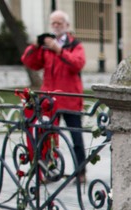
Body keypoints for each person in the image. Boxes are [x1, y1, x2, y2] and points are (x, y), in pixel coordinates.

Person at [20, 10, 87, 181]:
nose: (56, 26)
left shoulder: (74, 45)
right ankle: (46, 170)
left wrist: (59, 51)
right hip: (49, 100)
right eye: (53, 23)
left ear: (67, 25)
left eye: (59, 23)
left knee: (76, 138)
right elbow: (29, 62)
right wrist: (35, 46)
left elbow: (78, 64)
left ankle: (81, 172)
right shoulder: (45, 48)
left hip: (70, 98)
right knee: (46, 137)